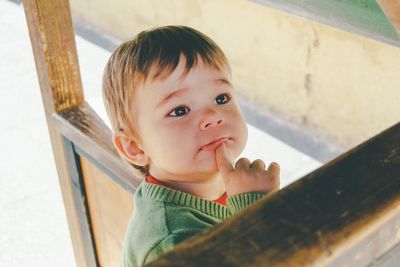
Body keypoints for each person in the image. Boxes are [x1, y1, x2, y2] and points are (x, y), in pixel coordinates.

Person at [102, 25, 280, 267]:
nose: (213, 116)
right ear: (135, 148)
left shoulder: (214, 181)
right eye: (179, 110)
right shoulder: (173, 243)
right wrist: (256, 211)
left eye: (221, 98)